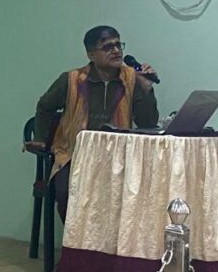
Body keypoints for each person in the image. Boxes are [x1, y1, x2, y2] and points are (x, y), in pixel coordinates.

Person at [27, 26, 159, 221]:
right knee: (66, 192)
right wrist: (40, 138)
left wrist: (146, 89)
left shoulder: (132, 79)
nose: (116, 50)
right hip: (75, 155)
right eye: (107, 47)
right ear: (91, 55)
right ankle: (76, 238)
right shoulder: (72, 79)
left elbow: (148, 123)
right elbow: (44, 107)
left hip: (118, 158)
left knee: (136, 194)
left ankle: (110, 241)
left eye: (118, 45)